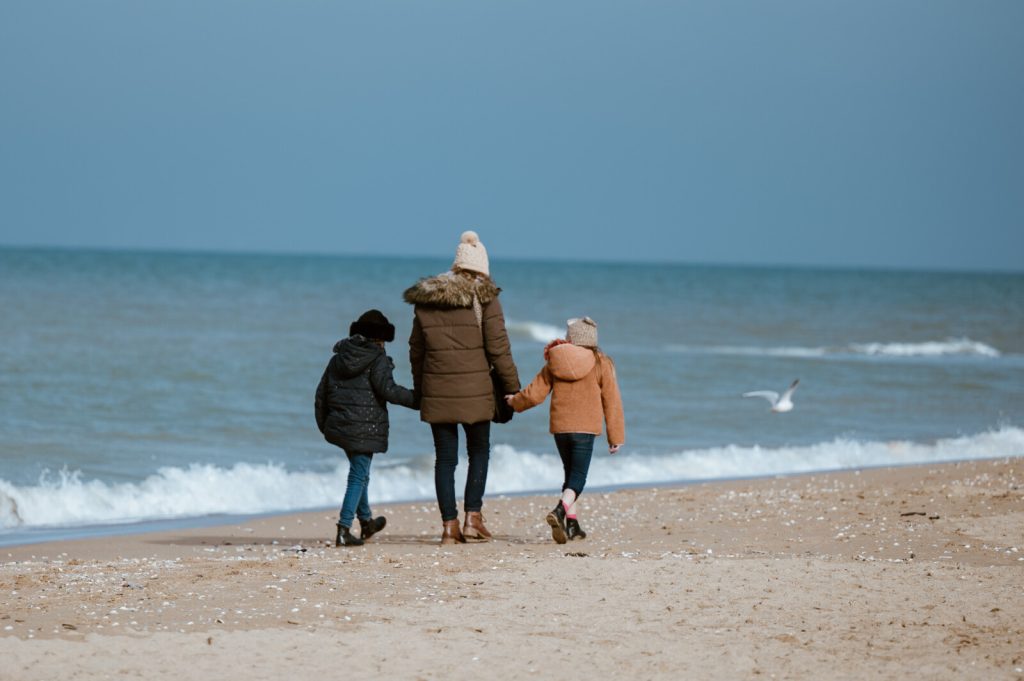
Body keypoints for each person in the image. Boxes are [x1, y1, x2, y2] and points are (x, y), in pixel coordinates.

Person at [404, 231, 520, 544]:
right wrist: (513, 389)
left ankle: (448, 525)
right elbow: (499, 349)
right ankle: (473, 518)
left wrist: (421, 390)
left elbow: (416, 350)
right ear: (482, 268)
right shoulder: (485, 297)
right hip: (476, 391)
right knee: (478, 451)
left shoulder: (427, 300)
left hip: (437, 390)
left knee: (445, 459)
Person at [505, 317, 625, 544]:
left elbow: (535, 394)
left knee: (570, 474)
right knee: (578, 478)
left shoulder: (555, 359)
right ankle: (559, 511)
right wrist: (615, 436)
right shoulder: (601, 362)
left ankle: (572, 525)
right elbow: (612, 401)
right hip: (585, 428)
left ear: (571, 338)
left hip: (561, 428)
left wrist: (514, 401)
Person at [315, 309, 417, 547]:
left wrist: (325, 425)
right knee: (358, 475)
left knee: (361, 472)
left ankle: (366, 522)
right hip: (364, 428)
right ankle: (343, 528)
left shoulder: (338, 358)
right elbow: (389, 390)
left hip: (340, 426)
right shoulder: (377, 358)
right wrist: (419, 400)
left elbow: (321, 394)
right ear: (380, 339)